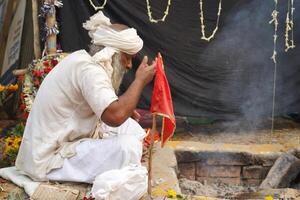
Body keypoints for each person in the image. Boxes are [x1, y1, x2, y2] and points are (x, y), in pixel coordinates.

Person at [15, 11, 155, 198]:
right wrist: (139, 81)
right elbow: (114, 116)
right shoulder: (90, 71)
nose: (129, 66)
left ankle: (123, 166)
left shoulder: (85, 62)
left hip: (67, 140)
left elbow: (114, 110)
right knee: (128, 146)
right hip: (49, 158)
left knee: (133, 129)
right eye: (127, 57)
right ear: (111, 53)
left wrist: (125, 111)